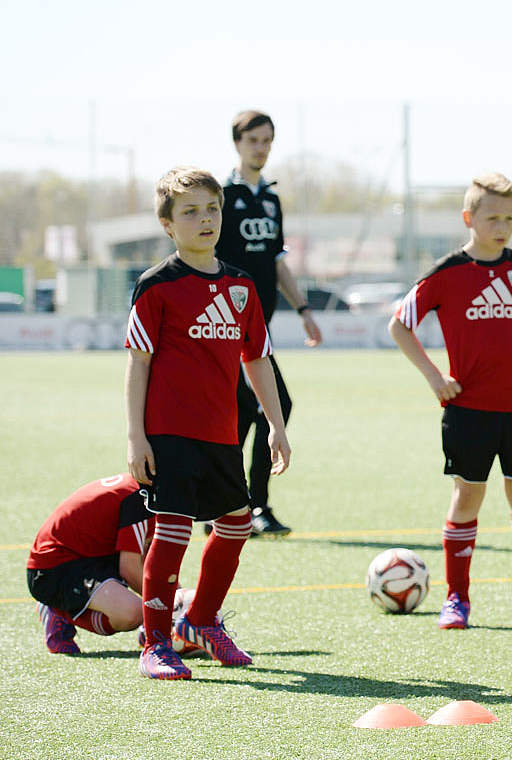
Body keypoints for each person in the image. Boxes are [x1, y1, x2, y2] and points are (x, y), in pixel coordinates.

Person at [125, 166, 291, 680]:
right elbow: (138, 365)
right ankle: (156, 644)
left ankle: (199, 621)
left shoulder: (241, 285)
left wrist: (276, 425)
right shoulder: (156, 285)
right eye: (191, 211)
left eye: (212, 209)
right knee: (173, 530)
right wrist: (136, 437)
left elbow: (256, 359)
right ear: (167, 224)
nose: (205, 219)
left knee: (237, 524)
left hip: (221, 432)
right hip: (168, 432)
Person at [388, 172, 512, 630]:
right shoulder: (446, 273)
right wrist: (434, 377)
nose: (502, 227)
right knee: (467, 496)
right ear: (469, 218)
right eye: (492, 218)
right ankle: (457, 599)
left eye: (509, 219)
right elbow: (400, 325)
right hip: (467, 409)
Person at [215, 109, 322, 537]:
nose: (261, 148)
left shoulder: (271, 200)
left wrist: (304, 310)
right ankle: (250, 505)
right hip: (230, 327)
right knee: (276, 405)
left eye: (267, 141)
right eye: (253, 140)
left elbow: (277, 263)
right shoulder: (222, 196)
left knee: (246, 410)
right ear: (237, 143)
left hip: (262, 327)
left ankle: (231, 506)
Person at [27, 474, 152, 654]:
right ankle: (57, 610)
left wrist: (175, 600)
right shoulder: (142, 498)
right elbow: (130, 569)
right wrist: (166, 610)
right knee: (132, 613)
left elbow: (151, 562)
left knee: (146, 603)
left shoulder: (145, 487)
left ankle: (151, 628)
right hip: (52, 569)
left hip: (88, 557)